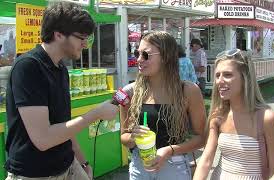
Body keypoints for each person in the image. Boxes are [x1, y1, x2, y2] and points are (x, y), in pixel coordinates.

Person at [5, 2, 119, 180]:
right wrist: (96, 114)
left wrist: (83, 162)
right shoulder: (28, 67)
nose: (85, 44)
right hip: (35, 174)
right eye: (81, 38)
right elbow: (43, 139)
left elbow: (63, 125)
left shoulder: (60, 68)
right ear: (58, 34)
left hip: (68, 164)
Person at [120, 31, 206, 180]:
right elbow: (124, 136)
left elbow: (203, 137)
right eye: (137, 54)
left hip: (174, 167)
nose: (139, 60)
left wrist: (169, 151)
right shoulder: (130, 92)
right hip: (140, 166)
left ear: (166, 57)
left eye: (145, 55)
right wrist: (133, 137)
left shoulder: (188, 91)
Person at [193, 49, 274, 180]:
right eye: (217, 75)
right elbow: (206, 160)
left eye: (227, 75)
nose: (220, 81)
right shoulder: (218, 115)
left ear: (245, 78)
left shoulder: (266, 118)